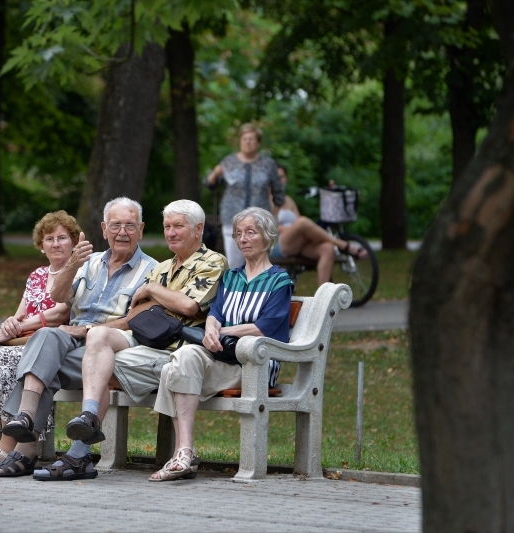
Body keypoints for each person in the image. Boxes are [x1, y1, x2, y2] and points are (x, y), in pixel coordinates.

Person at [37, 199, 228, 481]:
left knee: (93, 365)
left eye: (178, 226)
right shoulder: (163, 268)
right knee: (99, 338)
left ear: (198, 229)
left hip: (178, 352)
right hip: (147, 344)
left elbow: (189, 306)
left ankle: (77, 456)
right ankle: (88, 419)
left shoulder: (212, 261)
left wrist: (152, 290)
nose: (171, 233)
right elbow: (136, 314)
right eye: (167, 227)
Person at [0, 197, 158, 478]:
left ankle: (34, 451)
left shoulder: (152, 269)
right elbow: (59, 297)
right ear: (103, 228)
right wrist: (71, 266)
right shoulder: (89, 263)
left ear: (141, 229)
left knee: (46, 367)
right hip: (72, 340)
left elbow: (136, 319)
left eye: (129, 225)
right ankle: (26, 418)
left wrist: (83, 330)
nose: (122, 232)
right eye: (115, 225)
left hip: (112, 341)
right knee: (46, 337)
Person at [150, 207, 293, 481]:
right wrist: (212, 327)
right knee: (182, 359)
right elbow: (216, 311)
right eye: (239, 234)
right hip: (221, 358)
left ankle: (183, 456)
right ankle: (185, 452)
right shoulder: (231, 277)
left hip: (255, 365)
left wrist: (224, 330)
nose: (243, 239)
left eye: (250, 233)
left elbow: (265, 326)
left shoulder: (279, 281)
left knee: (172, 373)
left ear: (268, 236)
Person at [0, 211, 80, 467]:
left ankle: (8, 445)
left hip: (51, 345)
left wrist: (20, 324)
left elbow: (61, 312)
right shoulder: (36, 276)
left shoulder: (79, 272)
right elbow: (19, 313)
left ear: (74, 242)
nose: (56, 243)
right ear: (41, 246)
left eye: (62, 238)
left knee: (6, 364)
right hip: (22, 339)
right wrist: (11, 323)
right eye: (49, 239)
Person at [270, 164, 367, 286]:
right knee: (302, 222)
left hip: (299, 242)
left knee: (327, 248)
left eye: (282, 177)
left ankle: (322, 299)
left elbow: (299, 222)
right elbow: (270, 228)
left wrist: (298, 230)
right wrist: (293, 229)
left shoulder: (289, 200)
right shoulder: (267, 199)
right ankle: (342, 245)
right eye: (276, 177)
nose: (279, 180)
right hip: (279, 243)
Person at [205, 123, 285, 269]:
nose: (248, 142)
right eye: (244, 139)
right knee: (234, 263)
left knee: (258, 261)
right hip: (232, 219)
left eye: (252, 139)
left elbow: (279, 192)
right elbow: (210, 185)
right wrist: (215, 174)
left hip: (260, 221)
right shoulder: (229, 162)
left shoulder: (268, 164)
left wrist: (274, 217)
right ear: (240, 141)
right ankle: (236, 290)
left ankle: (259, 289)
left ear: (258, 142)